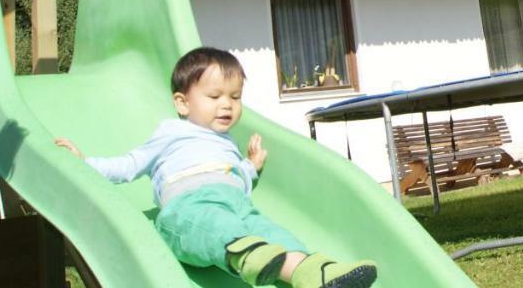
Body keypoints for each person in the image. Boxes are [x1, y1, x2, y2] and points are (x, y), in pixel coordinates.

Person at [56, 47, 377, 288]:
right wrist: (84, 164)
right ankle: (248, 254)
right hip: (188, 206)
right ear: (182, 102)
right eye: (214, 96)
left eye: (235, 97)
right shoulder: (172, 133)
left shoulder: (227, 144)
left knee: (273, 233)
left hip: (238, 206)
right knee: (210, 225)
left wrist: (250, 166)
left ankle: (316, 272)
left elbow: (235, 178)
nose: (227, 104)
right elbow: (128, 165)